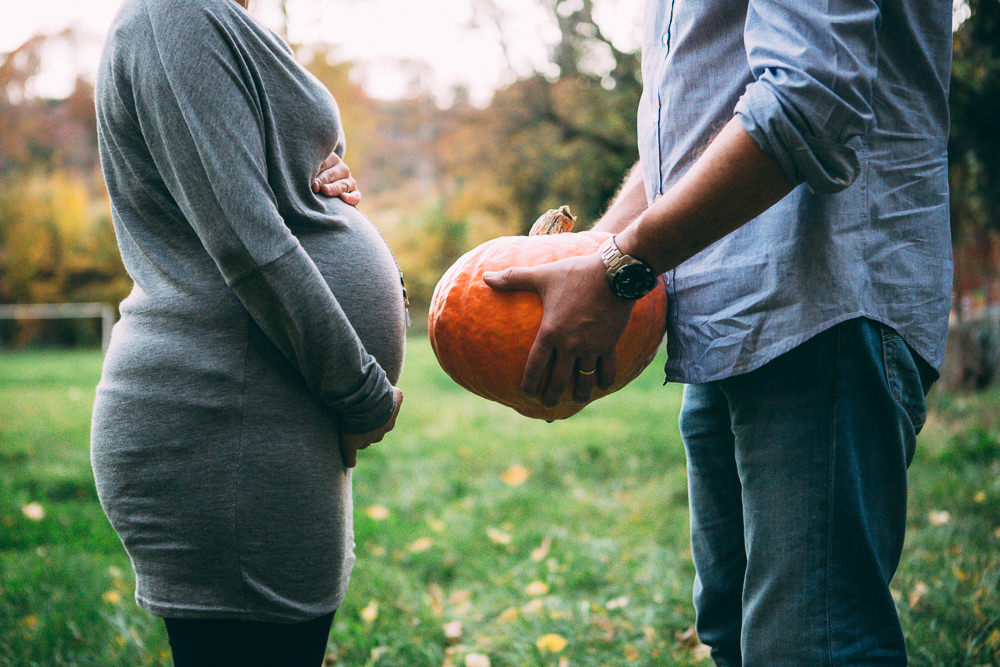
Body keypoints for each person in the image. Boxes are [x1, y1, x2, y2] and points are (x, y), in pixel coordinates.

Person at [485, 1, 952, 664]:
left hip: (822, 304)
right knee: (733, 632)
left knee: (809, 642)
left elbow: (811, 97)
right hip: (727, 317)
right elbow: (697, 129)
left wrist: (622, 266)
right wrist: (594, 256)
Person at [91, 0, 406, 664]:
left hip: (267, 407)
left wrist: (317, 190)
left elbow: (249, 197)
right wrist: (362, 394)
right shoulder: (172, 14)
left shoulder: (218, 16)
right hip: (219, 418)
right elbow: (245, 243)